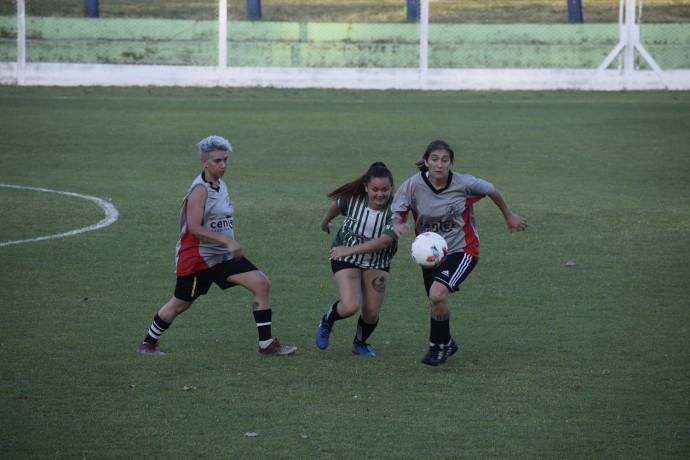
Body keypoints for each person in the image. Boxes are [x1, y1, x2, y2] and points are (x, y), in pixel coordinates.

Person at [137, 135, 297, 357]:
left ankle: (266, 345)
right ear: (204, 162)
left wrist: (226, 244)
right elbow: (193, 228)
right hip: (197, 259)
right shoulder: (199, 190)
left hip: (222, 257)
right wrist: (227, 241)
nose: (223, 165)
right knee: (181, 304)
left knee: (261, 284)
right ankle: (148, 344)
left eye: (225, 160)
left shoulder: (220, 185)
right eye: (217, 161)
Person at [391, 139, 527, 366]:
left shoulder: (464, 183)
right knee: (436, 300)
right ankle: (448, 342)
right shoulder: (413, 185)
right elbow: (398, 212)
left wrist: (509, 216)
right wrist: (397, 224)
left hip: (462, 249)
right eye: (434, 159)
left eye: (445, 160)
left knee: (437, 294)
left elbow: (491, 190)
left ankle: (438, 347)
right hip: (429, 255)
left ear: (451, 163)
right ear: (426, 161)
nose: (439, 164)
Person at [316, 162, 399, 357]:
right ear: (366, 187)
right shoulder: (353, 199)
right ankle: (327, 320)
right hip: (345, 257)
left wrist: (350, 249)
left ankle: (359, 343)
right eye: (375, 189)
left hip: (377, 261)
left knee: (371, 312)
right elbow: (336, 205)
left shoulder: (397, 209)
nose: (380, 194)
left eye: (385, 190)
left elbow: (385, 241)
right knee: (350, 306)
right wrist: (325, 221)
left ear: (391, 189)